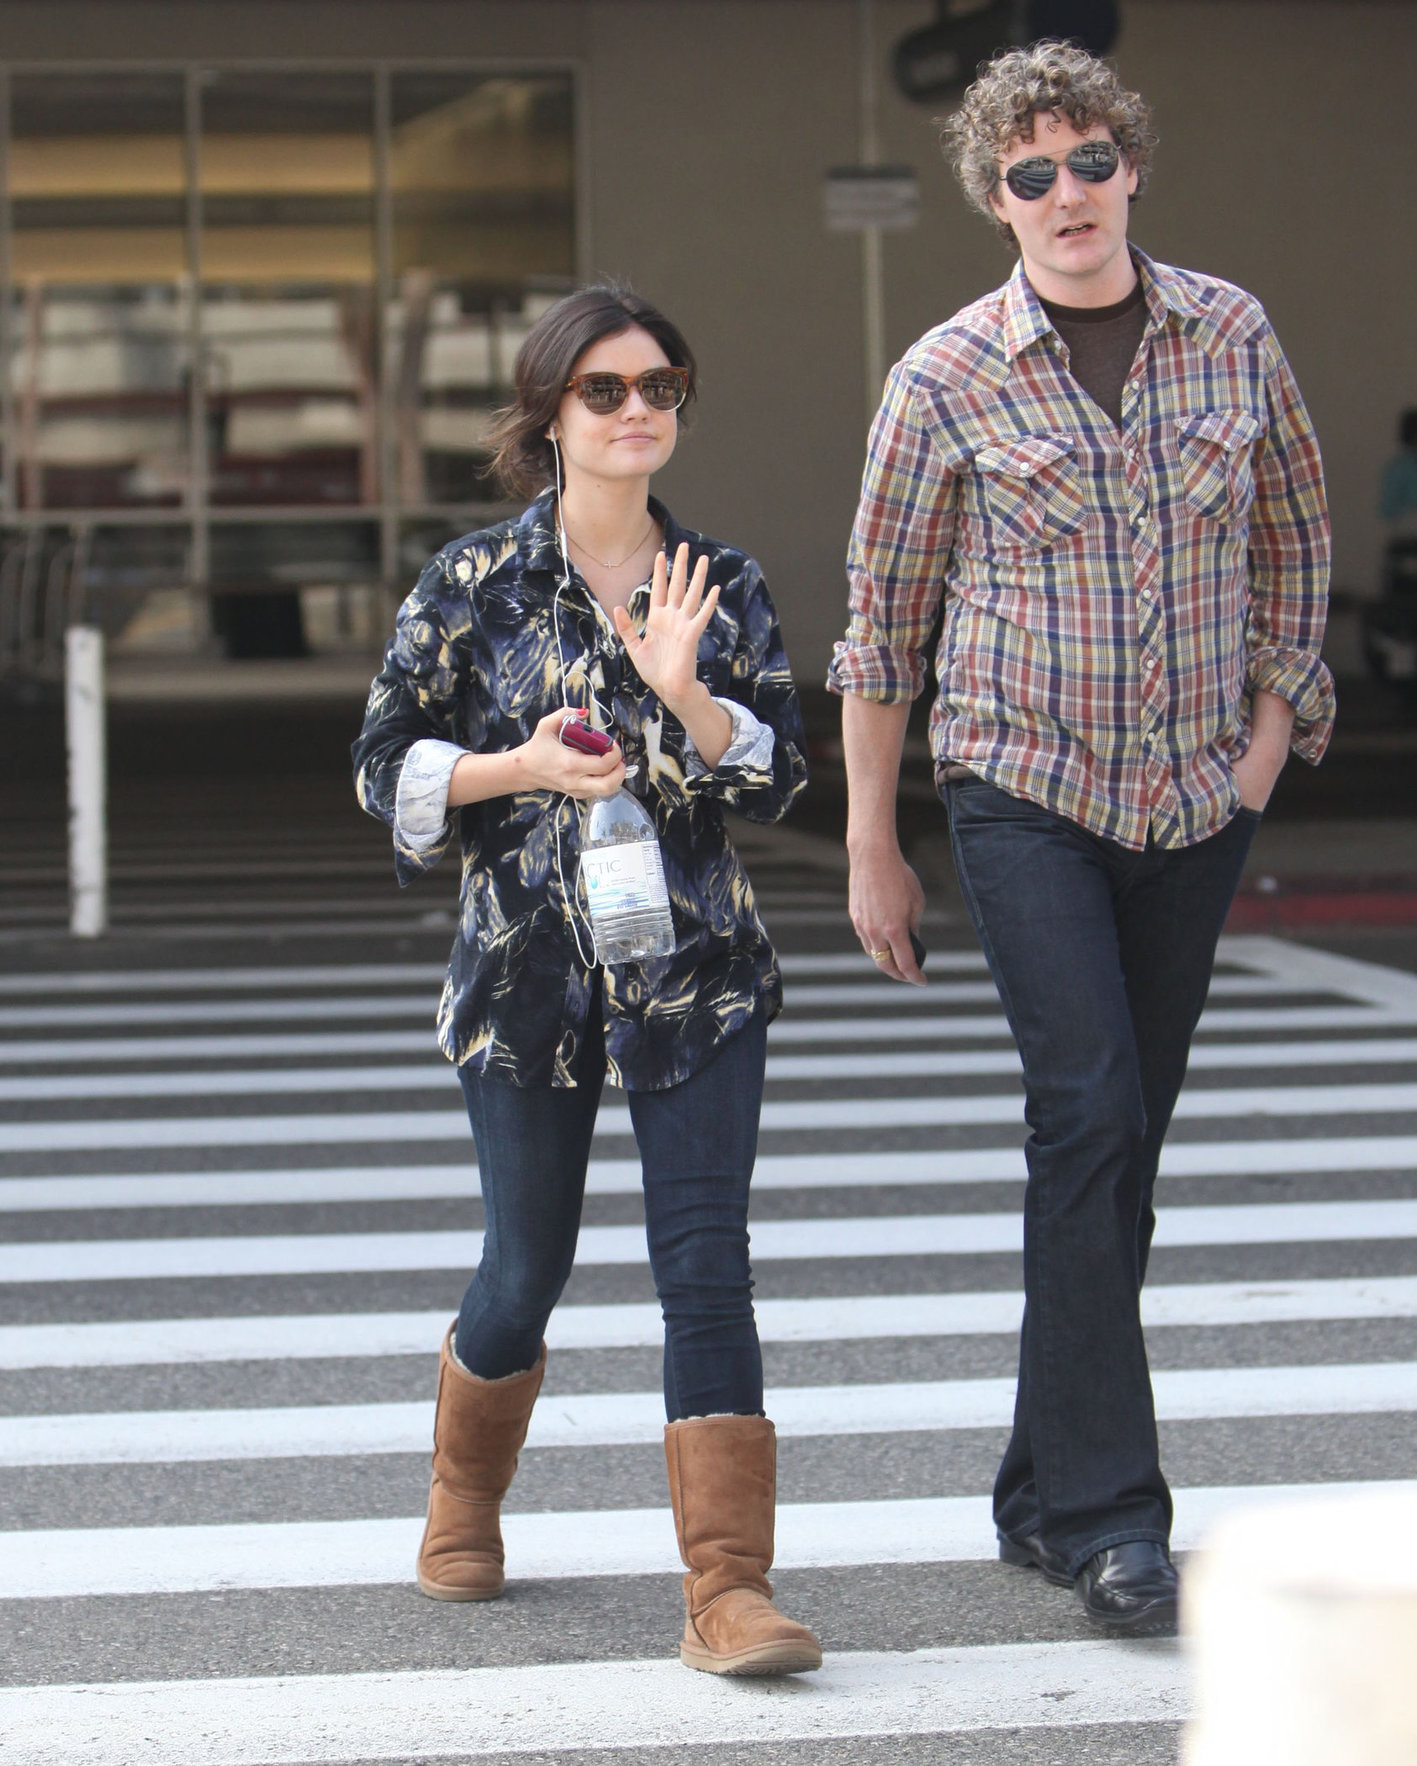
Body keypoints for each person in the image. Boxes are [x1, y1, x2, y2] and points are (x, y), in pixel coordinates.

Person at [829, 42, 1332, 1633]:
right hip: (1024, 791)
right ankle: (1112, 1519)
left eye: (1089, 159)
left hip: (1195, 800)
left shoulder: (1231, 333)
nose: (1067, 193)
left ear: (1131, 168)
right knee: (1090, 1115)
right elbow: (881, 628)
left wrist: (1266, 740)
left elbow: (1294, 541)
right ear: (995, 200)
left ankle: (1038, 1485)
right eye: (1031, 171)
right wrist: (871, 841)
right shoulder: (942, 378)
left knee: (1118, 1154)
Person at [353, 285, 820, 1677]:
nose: (636, 412)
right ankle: (463, 1495)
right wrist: (521, 767)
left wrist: (683, 691)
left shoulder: (718, 581)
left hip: (695, 970)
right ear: (550, 413)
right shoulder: (473, 582)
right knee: (524, 1267)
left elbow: (779, 773)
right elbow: (384, 766)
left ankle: (728, 1589)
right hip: (524, 972)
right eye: (604, 390)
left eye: (659, 387)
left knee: (705, 1265)